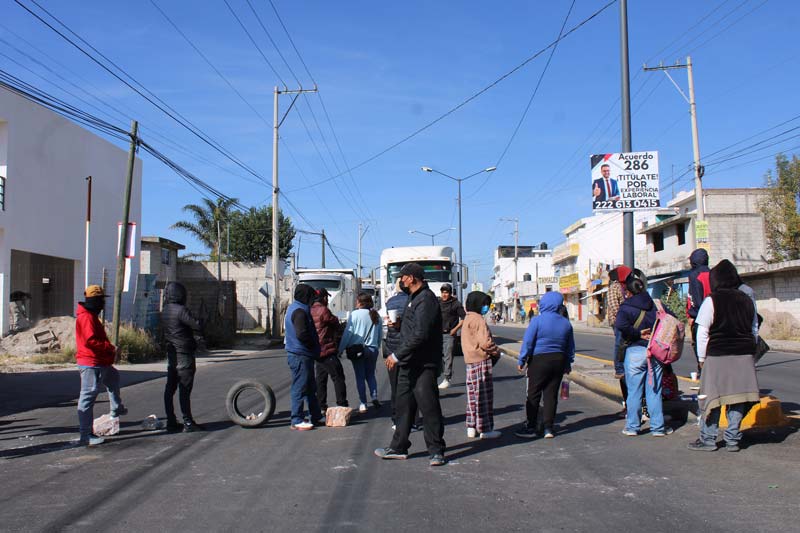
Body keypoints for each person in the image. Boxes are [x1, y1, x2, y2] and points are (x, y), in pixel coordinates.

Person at [375, 263, 447, 466]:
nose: (401, 281)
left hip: (422, 364)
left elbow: (421, 334)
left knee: (429, 407)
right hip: (409, 363)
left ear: (413, 278)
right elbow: (413, 328)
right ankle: (398, 447)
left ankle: (436, 451)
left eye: (403, 277)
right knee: (403, 406)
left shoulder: (426, 299)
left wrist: (396, 355)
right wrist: (398, 326)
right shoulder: (413, 299)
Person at [688, 260, 760, 453]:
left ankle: (709, 439)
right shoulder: (747, 299)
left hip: (718, 355)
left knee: (712, 399)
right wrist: (750, 351)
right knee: (738, 398)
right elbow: (754, 329)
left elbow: (702, 332)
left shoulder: (712, 300)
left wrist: (702, 359)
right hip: (744, 355)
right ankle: (732, 440)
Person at [615, 269, 672, 437]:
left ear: (629, 291)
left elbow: (620, 326)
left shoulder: (626, 307)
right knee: (654, 391)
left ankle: (632, 427)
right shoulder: (656, 304)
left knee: (634, 392)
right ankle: (658, 428)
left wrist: (637, 334)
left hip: (634, 352)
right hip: (655, 352)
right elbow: (671, 321)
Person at [515, 291, 574, 439]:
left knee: (533, 393)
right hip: (559, 361)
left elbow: (528, 342)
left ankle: (531, 426)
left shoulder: (537, 321)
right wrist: (567, 364)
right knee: (551, 394)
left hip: (539, 359)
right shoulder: (566, 323)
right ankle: (548, 428)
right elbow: (570, 347)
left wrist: (522, 360)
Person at [75, 285, 126, 446]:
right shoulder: (87, 318)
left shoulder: (89, 315)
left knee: (113, 378)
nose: (103, 304)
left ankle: (116, 409)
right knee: (88, 397)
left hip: (100, 362)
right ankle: (86, 435)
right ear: (95, 301)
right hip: (91, 362)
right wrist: (110, 348)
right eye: (101, 300)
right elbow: (90, 341)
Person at [162, 282, 204, 432]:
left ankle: (171, 421)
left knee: (170, 389)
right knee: (184, 389)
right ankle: (188, 422)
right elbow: (197, 325)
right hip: (184, 354)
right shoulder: (181, 310)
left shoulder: (165, 310)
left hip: (172, 355)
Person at [461, 291, 501, 439]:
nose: (486, 307)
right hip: (481, 361)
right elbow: (485, 342)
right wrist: (496, 351)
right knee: (484, 397)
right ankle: (485, 429)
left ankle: (471, 427)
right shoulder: (478, 320)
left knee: (472, 397)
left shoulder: (467, 318)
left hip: (470, 362)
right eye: (484, 304)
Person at [285, 284, 323, 431]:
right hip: (300, 354)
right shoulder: (300, 312)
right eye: (311, 297)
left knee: (309, 387)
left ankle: (315, 415)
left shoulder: (295, 308)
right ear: (306, 297)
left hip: (302, 354)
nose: (313, 301)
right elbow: (302, 334)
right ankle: (297, 419)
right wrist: (312, 346)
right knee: (300, 387)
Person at [340, 293, 382, 413]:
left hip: (358, 350)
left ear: (360, 303)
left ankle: (363, 403)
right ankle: (374, 396)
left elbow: (348, 333)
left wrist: (341, 348)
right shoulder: (375, 315)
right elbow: (379, 335)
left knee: (360, 376)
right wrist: (377, 346)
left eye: (357, 301)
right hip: (373, 349)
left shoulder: (355, 314)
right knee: (370, 374)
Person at [311, 288, 348, 412]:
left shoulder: (310, 310)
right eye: (326, 297)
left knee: (321, 379)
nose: (327, 299)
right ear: (323, 298)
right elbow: (335, 322)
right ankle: (342, 404)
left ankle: (321, 406)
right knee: (338, 376)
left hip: (316, 350)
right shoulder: (324, 310)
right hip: (326, 349)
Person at [384, 279, 409, 428]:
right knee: (411, 387)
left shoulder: (390, 302)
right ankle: (413, 419)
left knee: (395, 387)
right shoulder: (412, 302)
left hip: (392, 347)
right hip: (407, 348)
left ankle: (396, 418)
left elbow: (389, 321)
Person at [607, 265, 632, 416]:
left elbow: (615, 307)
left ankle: (632, 408)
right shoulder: (621, 288)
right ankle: (640, 409)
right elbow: (615, 307)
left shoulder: (621, 288)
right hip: (629, 328)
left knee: (626, 372)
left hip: (626, 330)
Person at [687, 248, 711, 376]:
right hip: (716, 316)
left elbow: (694, 298)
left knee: (699, 346)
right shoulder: (713, 274)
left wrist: (691, 315)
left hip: (700, 317)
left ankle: (703, 373)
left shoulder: (694, 275)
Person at [437, 283, 465, 390]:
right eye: (443, 292)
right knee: (439, 357)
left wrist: (455, 329)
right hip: (438, 334)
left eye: (446, 292)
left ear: (450, 293)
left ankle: (447, 378)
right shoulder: (438, 302)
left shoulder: (456, 304)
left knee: (448, 356)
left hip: (449, 334)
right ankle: (440, 375)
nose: (444, 294)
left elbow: (463, 318)